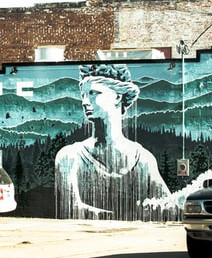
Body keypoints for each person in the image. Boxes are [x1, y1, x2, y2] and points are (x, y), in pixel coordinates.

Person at [55, 64, 170, 220]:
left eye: (93, 93)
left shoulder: (142, 160)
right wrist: (133, 216)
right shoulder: (69, 156)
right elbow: (71, 209)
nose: (84, 101)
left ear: (117, 96)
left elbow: (167, 207)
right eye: (83, 95)